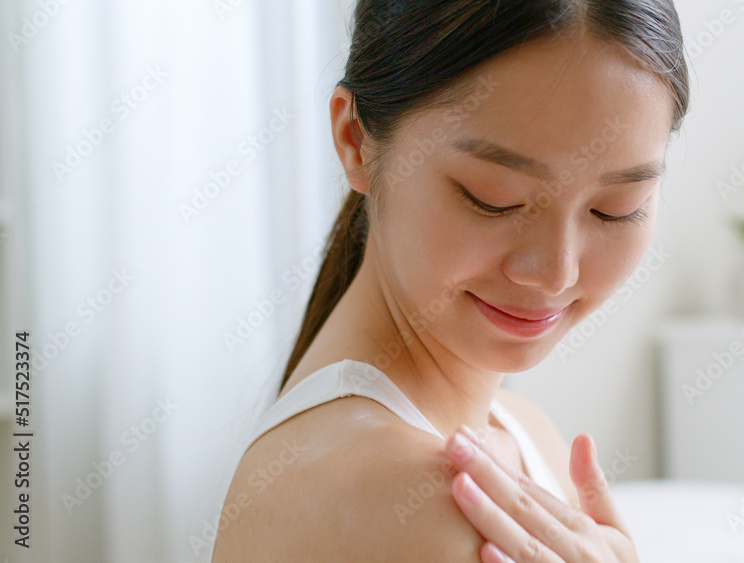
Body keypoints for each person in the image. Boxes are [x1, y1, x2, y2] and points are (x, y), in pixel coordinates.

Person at [211, 0, 689, 560]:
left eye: (616, 208)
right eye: (493, 199)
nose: (556, 273)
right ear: (354, 138)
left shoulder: (521, 431)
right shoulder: (418, 499)